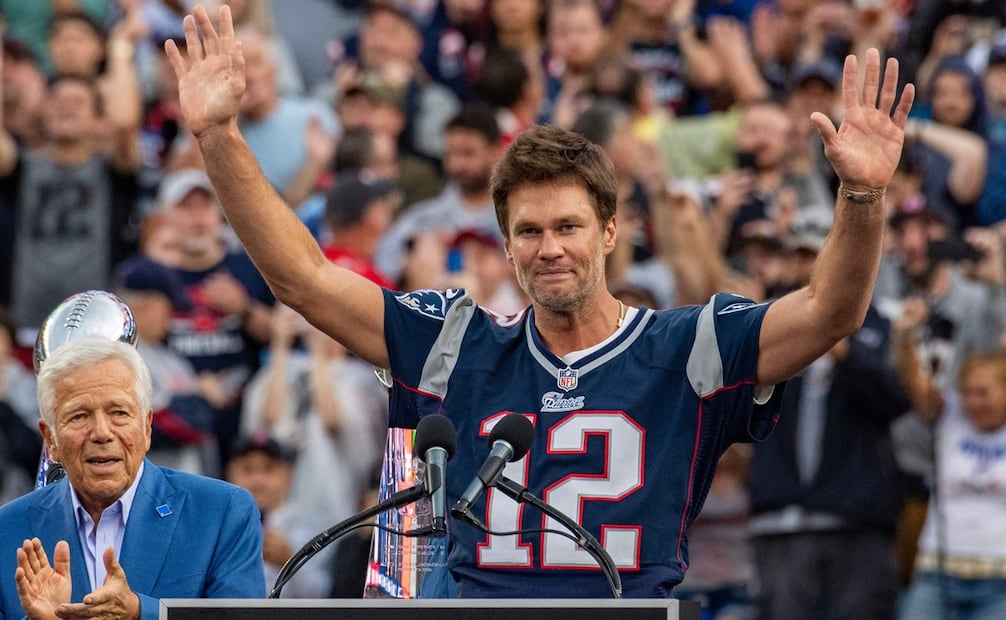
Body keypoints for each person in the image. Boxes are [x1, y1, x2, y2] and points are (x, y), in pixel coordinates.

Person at [166, 4, 913, 597]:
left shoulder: (688, 347)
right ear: (505, 241)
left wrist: (864, 193)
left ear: (612, 230)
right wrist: (220, 136)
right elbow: (304, 278)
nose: (548, 247)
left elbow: (828, 312)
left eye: (568, 226)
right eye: (528, 231)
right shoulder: (460, 343)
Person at [0, 335, 264, 620]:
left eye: (119, 413)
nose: (101, 432)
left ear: (147, 427)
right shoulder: (6, 531)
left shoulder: (221, 512)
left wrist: (142, 613)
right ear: (50, 438)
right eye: (78, 416)